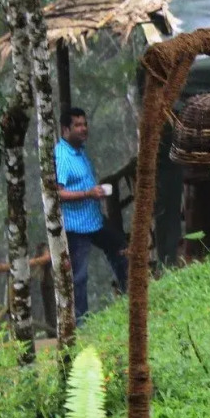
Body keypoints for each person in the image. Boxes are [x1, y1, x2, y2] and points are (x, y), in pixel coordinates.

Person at [55, 107, 129, 321]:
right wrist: (88, 192)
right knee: (79, 275)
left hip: (93, 219)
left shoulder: (79, 150)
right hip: (75, 225)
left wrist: (94, 191)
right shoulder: (62, 157)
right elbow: (57, 193)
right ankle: (81, 323)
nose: (83, 129)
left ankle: (130, 295)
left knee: (120, 246)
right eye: (77, 125)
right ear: (66, 129)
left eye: (84, 124)